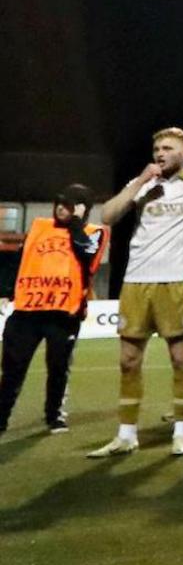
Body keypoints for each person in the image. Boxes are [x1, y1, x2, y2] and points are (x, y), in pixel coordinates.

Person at [87, 128, 183, 457]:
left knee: (181, 360)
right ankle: (126, 435)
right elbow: (107, 216)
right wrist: (139, 182)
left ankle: (181, 431)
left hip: (177, 282)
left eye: (167, 147)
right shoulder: (144, 186)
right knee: (128, 360)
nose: (160, 153)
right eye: (156, 148)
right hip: (136, 281)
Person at [1, 186, 103, 434]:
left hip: (64, 314)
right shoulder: (39, 226)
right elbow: (19, 260)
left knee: (58, 368)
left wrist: (76, 223)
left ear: (82, 209)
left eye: (68, 204)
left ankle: (54, 415)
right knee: (12, 368)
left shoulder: (93, 232)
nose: (60, 208)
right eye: (59, 203)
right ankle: (1, 417)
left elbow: (87, 253)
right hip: (27, 311)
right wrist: (6, 290)